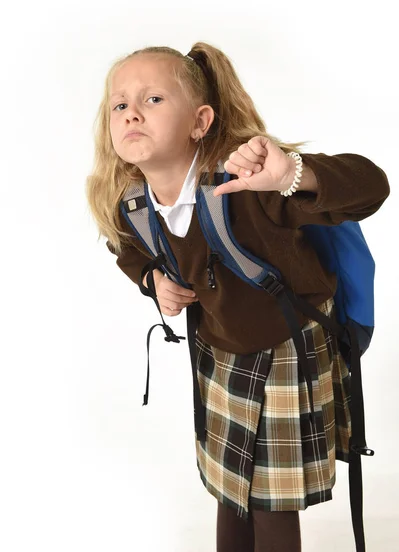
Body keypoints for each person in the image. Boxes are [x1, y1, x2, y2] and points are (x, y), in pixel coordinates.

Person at [85, 41, 390, 552]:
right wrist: (152, 282)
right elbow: (126, 250)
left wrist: (294, 175)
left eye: (153, 99)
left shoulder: (248, 188)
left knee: (271, 504)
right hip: (219, 351)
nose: (131, 111)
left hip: (287, 349)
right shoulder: (132, 204)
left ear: (200, 121)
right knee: (230, 493)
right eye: (120, 104)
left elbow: (371, 186)